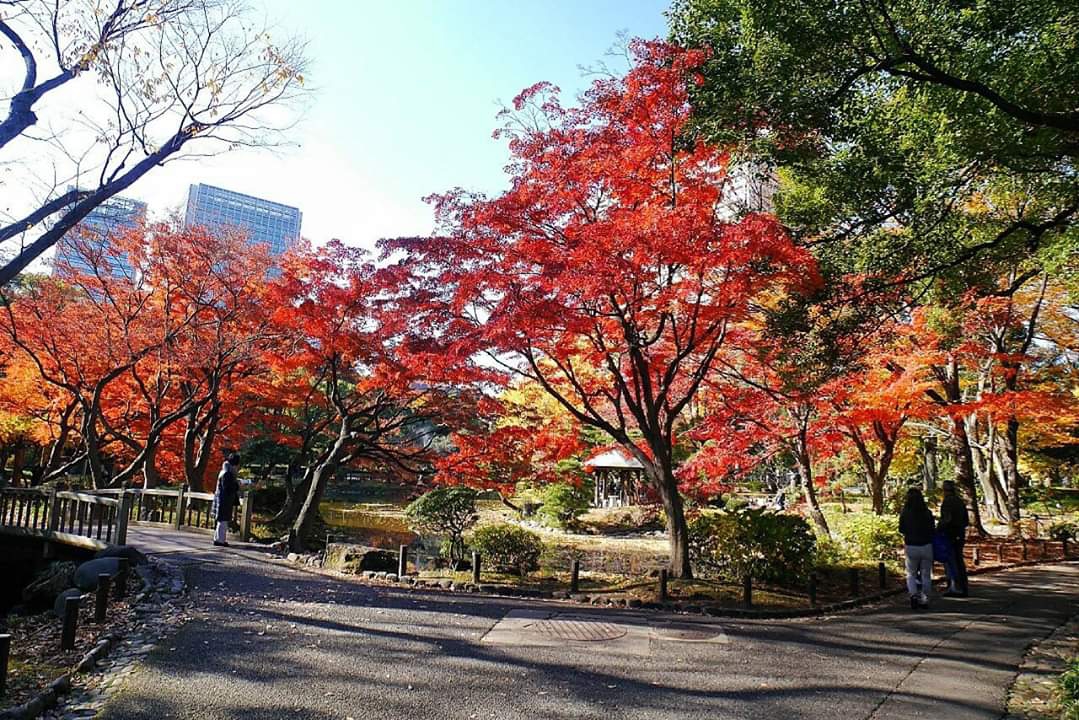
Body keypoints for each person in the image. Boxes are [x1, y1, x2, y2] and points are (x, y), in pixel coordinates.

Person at [899, 487, 935, 610]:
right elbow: (932, 529)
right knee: (926, 574)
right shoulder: (927, 512)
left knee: (911, 574)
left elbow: (901, 529)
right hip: (926, 545)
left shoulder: (905, 512)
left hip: (911, 545)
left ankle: (913, 595)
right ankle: (925, 598)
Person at [939, 480, 970, 596]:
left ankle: (954, 586)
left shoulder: (948, 502)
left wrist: (939, 529)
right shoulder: (959, 502)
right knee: (959, 560)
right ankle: (962, 586)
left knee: (951, 561)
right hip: (960, 533)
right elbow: (966, 520)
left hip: (950, 534)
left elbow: (947, 519)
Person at [212, 452, 241, 547]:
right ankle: (220, 540)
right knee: (223, 520)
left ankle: (218, 539)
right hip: (224, 499)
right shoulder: (227, 473)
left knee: (221, 520)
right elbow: (228, 488)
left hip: (222, 498)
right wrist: (237, 485)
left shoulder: (224, 471)